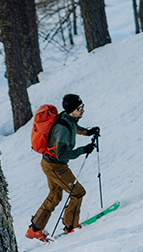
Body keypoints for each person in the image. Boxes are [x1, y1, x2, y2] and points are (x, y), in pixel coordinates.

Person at [26, 94, 100, 242]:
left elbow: (74, 127)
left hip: (50, 164)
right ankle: (70, 226)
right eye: (80, 108)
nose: (82, 110)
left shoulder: (67, 117)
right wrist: (82, 150)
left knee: (55, 195)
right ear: (72, 110)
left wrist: (88, 132)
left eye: (82, 107)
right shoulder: (62, 129)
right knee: (78, 192)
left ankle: (34, 229)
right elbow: (61, 154)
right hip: (55, 166)